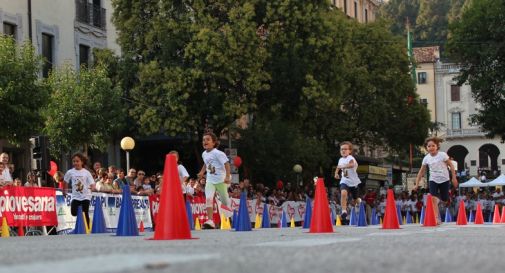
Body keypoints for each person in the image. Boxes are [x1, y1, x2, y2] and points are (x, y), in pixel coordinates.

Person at [414, 137, 458, 225]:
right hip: (433, 179)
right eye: (429, 146)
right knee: (433, 198)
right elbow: (421, 171)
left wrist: (454, 177)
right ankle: (437, 218)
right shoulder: (426, 158)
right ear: (426, 148)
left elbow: (451, 166)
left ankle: (442, 200)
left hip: (444, 179)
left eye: (433, 146)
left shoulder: (442, 155)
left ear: (437, 146)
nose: (431, 147)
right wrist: (416, 184)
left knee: (445, 199)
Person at [197, 132, 231, 229]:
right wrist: (202, 172)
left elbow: (227, 164)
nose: (205, 141)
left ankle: (230, 217)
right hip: (210, 180)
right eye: (203, 140)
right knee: (208, 199)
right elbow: (205, 163)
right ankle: (210, 221)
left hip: (221, 180)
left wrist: (227, 177)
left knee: (224, 201)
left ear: (214, 142)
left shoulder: (218, 153)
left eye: (208, 139)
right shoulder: (204, 154)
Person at [63, 153, 96, 226]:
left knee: (85, 212)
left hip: (86, 196)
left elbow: (92, 183)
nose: (75, 163)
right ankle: (81, 223)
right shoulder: (70, 172)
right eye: (74, 161)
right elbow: (65, 181)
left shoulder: (86, 172)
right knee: (73, 212)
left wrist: (93, 187)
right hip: (75, 196)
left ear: (82, 162)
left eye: (77, 161)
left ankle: (87, 228)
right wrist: (64, 191)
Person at [334, 141, 361, 225]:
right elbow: (338, 167)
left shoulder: (350, 158)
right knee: (343, 193)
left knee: (356, 199)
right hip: (344, 180)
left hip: (353, 182)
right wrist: (336, 173)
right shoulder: (340, 159)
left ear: (350, 151)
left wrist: (343, 166)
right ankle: (344, 210)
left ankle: (358, 203)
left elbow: (352, 165)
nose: (343, 151)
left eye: (345, 149)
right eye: (341, 149)